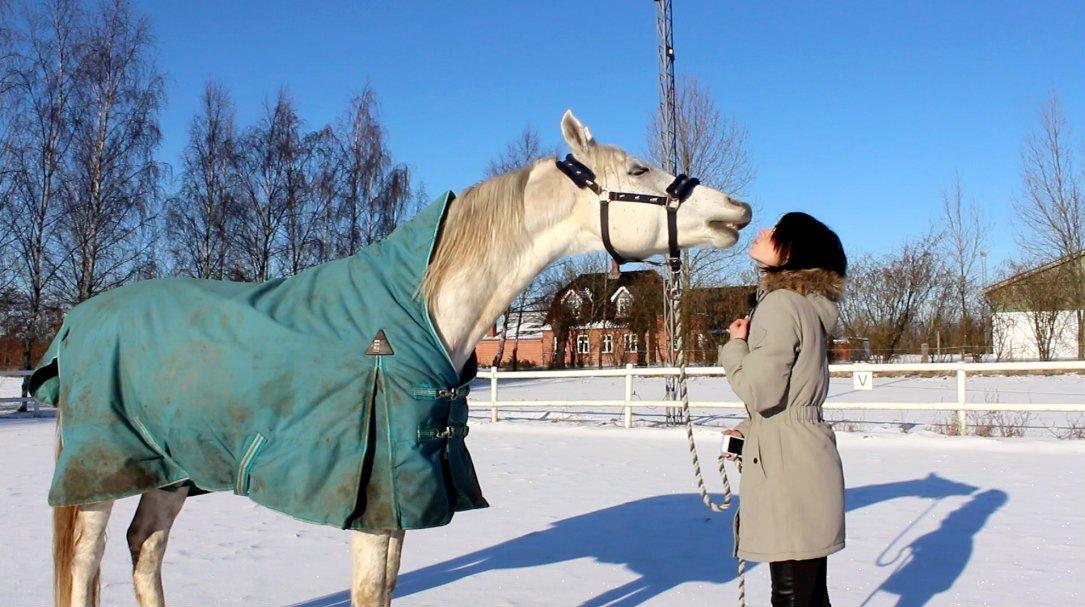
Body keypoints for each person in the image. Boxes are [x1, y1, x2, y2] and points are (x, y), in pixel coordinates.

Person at [720, 212, 847, 607]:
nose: (761, 232)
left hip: (785, 467)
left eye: (774, 231)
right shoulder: (810, 307)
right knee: (811, 594)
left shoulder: (779, 305)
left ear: (791, 252)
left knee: (790, 595)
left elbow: (760, 391)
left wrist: (735, 346)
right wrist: (750, 428)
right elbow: (794, 392)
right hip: (806, 454)